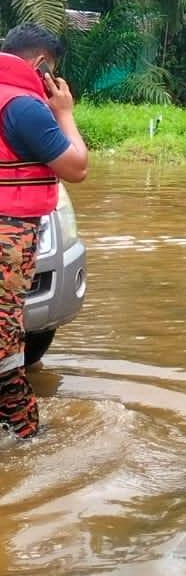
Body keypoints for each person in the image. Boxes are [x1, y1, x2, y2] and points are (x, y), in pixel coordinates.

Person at [0, 24, 89, 439]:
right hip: (9, 238)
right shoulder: (24, 107)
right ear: (40, 66)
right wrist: (65, 112)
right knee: (4, 353)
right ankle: (27, 440)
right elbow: (77, 167)